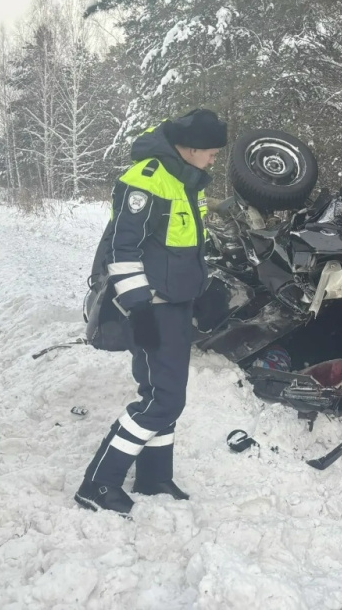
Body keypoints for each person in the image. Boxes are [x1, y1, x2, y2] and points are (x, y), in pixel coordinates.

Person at [75, 108, 227, 515]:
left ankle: (154, 476)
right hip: (151, 309)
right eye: (212, 151)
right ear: (191, 147)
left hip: (175, 306)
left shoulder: (187, 180)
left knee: (163, 393)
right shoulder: (146, 180)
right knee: (163, 400)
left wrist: (203, 288)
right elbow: (121, 252)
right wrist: (137, 308)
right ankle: (98, 484)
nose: (215, 159)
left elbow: (185, 247)